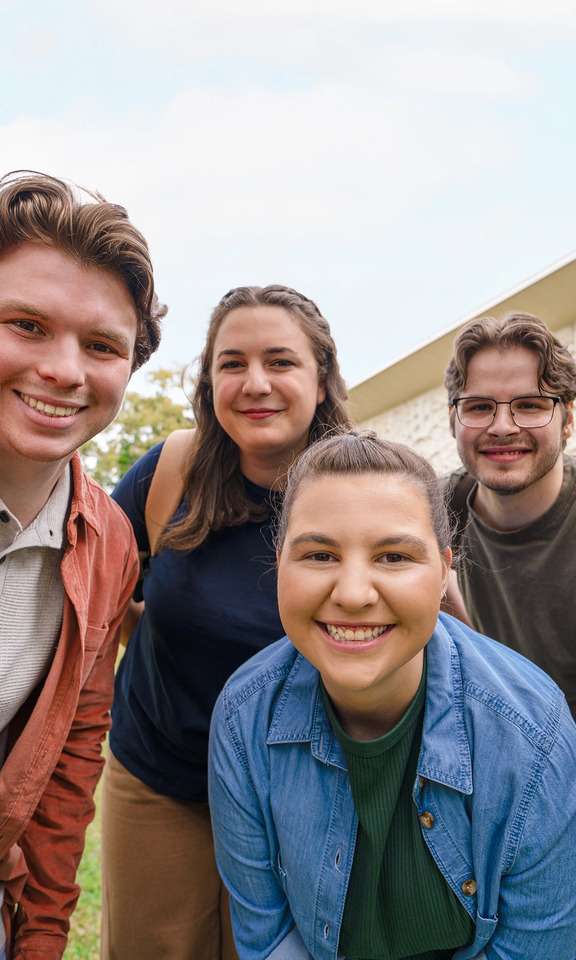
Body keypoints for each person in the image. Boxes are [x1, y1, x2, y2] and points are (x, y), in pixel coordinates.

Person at [209, 431, 576, 960]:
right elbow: (269, 939)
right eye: (318, 554)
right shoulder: (244, 717)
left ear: (445, 569)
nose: (354, 594)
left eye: (393, 557)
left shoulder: (533, 734)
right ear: (279, 564)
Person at [0, 171, 162, 960]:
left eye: (101, 345)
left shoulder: (109, 544)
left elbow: (65, 777)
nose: (66, 369)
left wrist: (36, 946)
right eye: (28, 325)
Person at [100, 285, 350, 960]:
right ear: (209, 380)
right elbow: (95, 587)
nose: (255, 383)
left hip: (302, 797)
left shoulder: (363, 492)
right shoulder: (171, 471)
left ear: (322, 380)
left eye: (281, 362)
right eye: (232, 363)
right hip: (160, 783)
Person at [442, 312, 576, 717]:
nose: (502, 427)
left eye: (529, 405)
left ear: (567, 419)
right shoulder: (434, 509)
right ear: (453, 420)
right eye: (480, 407)